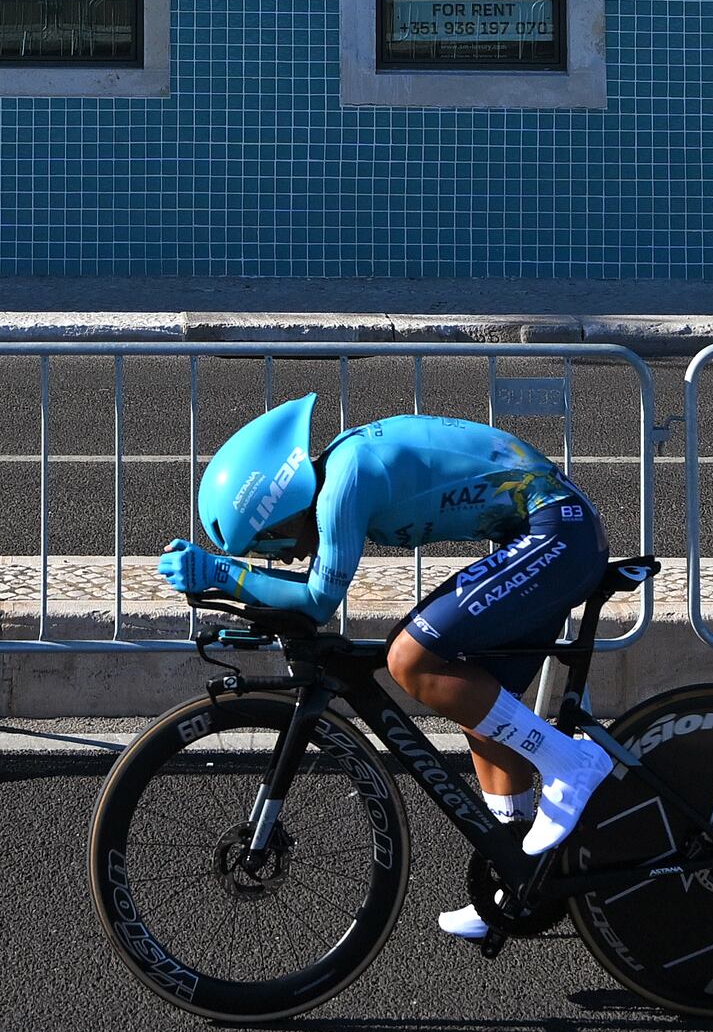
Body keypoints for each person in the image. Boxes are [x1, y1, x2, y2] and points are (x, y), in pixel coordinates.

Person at [156, 394, 617, 945]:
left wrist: (224, 574)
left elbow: (319, 600)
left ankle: (573, 764)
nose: (280, 559)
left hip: (557, 534)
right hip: (541, 536)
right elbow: (307, 590)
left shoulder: (345, 483)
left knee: (410, 658)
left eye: (270, 545)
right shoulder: (339, 473)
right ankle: (517, 879)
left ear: (280, 510)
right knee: (481, 710)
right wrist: (229, 575)